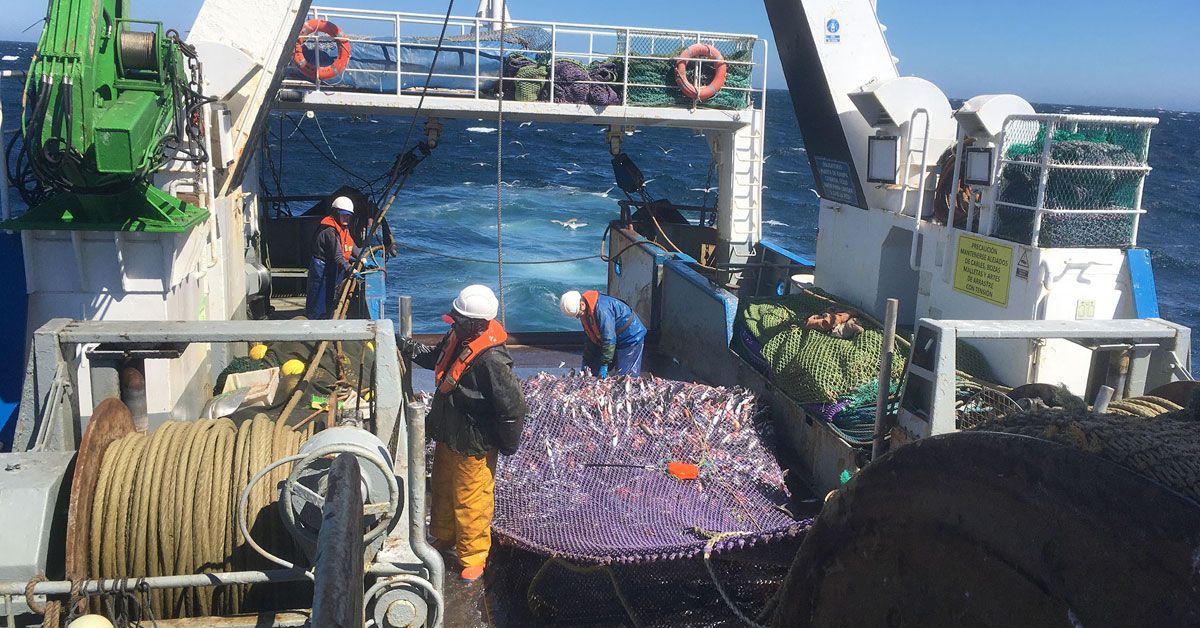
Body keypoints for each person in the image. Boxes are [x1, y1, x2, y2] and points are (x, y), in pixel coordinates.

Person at [397, 285, 527, 581]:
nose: (453, 323)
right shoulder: (460, 335)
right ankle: (443, 535)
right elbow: (436, 357)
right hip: (449, 432)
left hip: (474, 441)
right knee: (442, 486)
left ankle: (474, 555)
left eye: (459, 319)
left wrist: (507, 444)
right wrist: (408, 347)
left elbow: (513, 406)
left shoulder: (492, 359)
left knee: (472, 498)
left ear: (477, 324)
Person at [559, 290, 647, 378]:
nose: (579, 317)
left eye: (578, 314)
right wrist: (587, 360)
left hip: (630, 338)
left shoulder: (602, 310)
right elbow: (591, 337)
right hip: (613, 338)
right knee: (592, 372)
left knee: (626, 377)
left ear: (582, 305)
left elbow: (609, 339)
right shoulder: (586, 311)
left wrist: (605, 364)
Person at [305, 196, 361, 319]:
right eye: (344, 215)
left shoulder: (343, 228)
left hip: (333, 267)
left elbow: (351, 246)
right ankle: (314, 322)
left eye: (349, 215)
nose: (346, 218)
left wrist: (362, 257)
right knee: (318, 299)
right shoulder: (330, 231)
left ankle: (328, 318)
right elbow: (338, 257)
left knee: (331, 297)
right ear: (336, 213)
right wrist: (351, 270)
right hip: (321, 267)